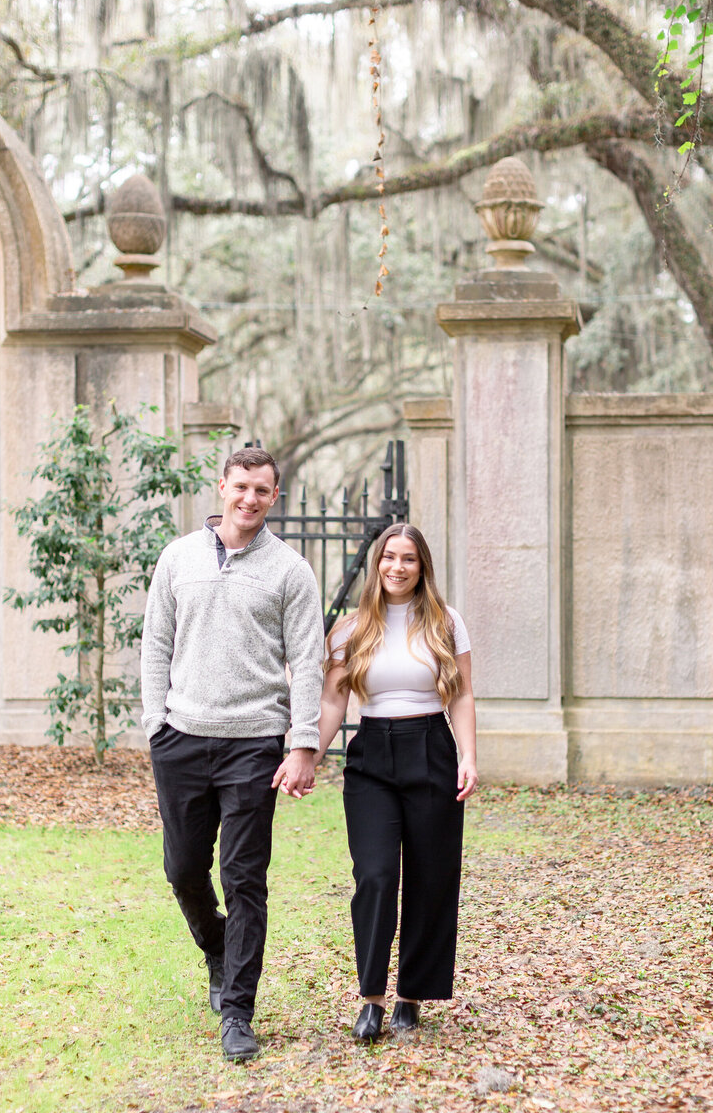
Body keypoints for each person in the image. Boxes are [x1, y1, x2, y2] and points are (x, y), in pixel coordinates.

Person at [140, 446, 324, 1062]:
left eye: (262, 490)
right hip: (182, 740)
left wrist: (302, 743)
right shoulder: (177, 559)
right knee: (183, 870)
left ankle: (238, 1012)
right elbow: (155, 646)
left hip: (254, 744)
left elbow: (308, 663)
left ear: (276, 497)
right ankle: (218, 952)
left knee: (244, 879)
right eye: (240, 486)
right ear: (221, 487)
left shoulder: (291, 571)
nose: (249, 498)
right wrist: (155, 726)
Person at [300, 523, 477, 1041]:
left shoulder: (446, 623)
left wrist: (469, 755)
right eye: (389, 558)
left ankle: (411, 996)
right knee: (375, 876)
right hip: (372, 754)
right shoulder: (350, 629)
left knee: (431, 877)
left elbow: (462, 695)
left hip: (432, 750)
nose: (397, 567)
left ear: (423, 568)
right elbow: (334, 701)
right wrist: (307, 753)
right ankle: (372, 998)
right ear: (377, 564)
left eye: (409, 560)